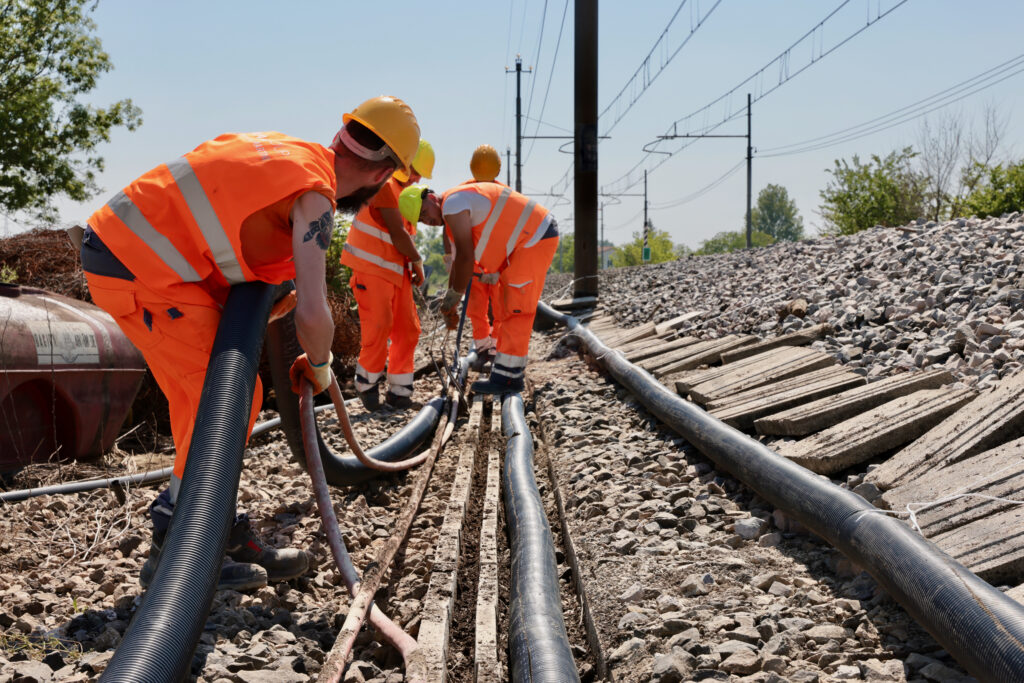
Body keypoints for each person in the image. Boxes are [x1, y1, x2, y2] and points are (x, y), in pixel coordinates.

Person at [80, 96, 420, 590]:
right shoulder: (315, 195)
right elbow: (313, 310)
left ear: (342, 135)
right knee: (227, 399)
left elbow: (221, 223)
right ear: (381, 176)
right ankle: (180, 539)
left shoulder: (293, 153)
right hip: (142, 266)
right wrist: (320, 367)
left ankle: (219, 526)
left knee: (200, 401)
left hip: (133, 255)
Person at [398, 178, 559, 394]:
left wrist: (455, 295)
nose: (428, 220)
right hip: (526, 241)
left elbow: (466, 256)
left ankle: (509, 379)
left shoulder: (453, 205)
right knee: (510, 305)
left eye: (425, 212)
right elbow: (457, 263)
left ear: (431, 197)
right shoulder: (453, 214)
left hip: (533, 239)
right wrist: (450, 300)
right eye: (422, 220)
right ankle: (506, 372)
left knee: (518, 308)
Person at [340, 139, 435, 410]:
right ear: (404, 164)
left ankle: (399, 391)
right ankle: (367, 383)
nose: (415, 178)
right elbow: (398, 234)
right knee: (379, 325)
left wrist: (411, 267)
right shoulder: (383, 185)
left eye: (419, 175)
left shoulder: (406, 198)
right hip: (371, 272)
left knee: (408, 330)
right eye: (414, 170)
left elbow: (402, 240)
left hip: (396, 276)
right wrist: (417, 262)